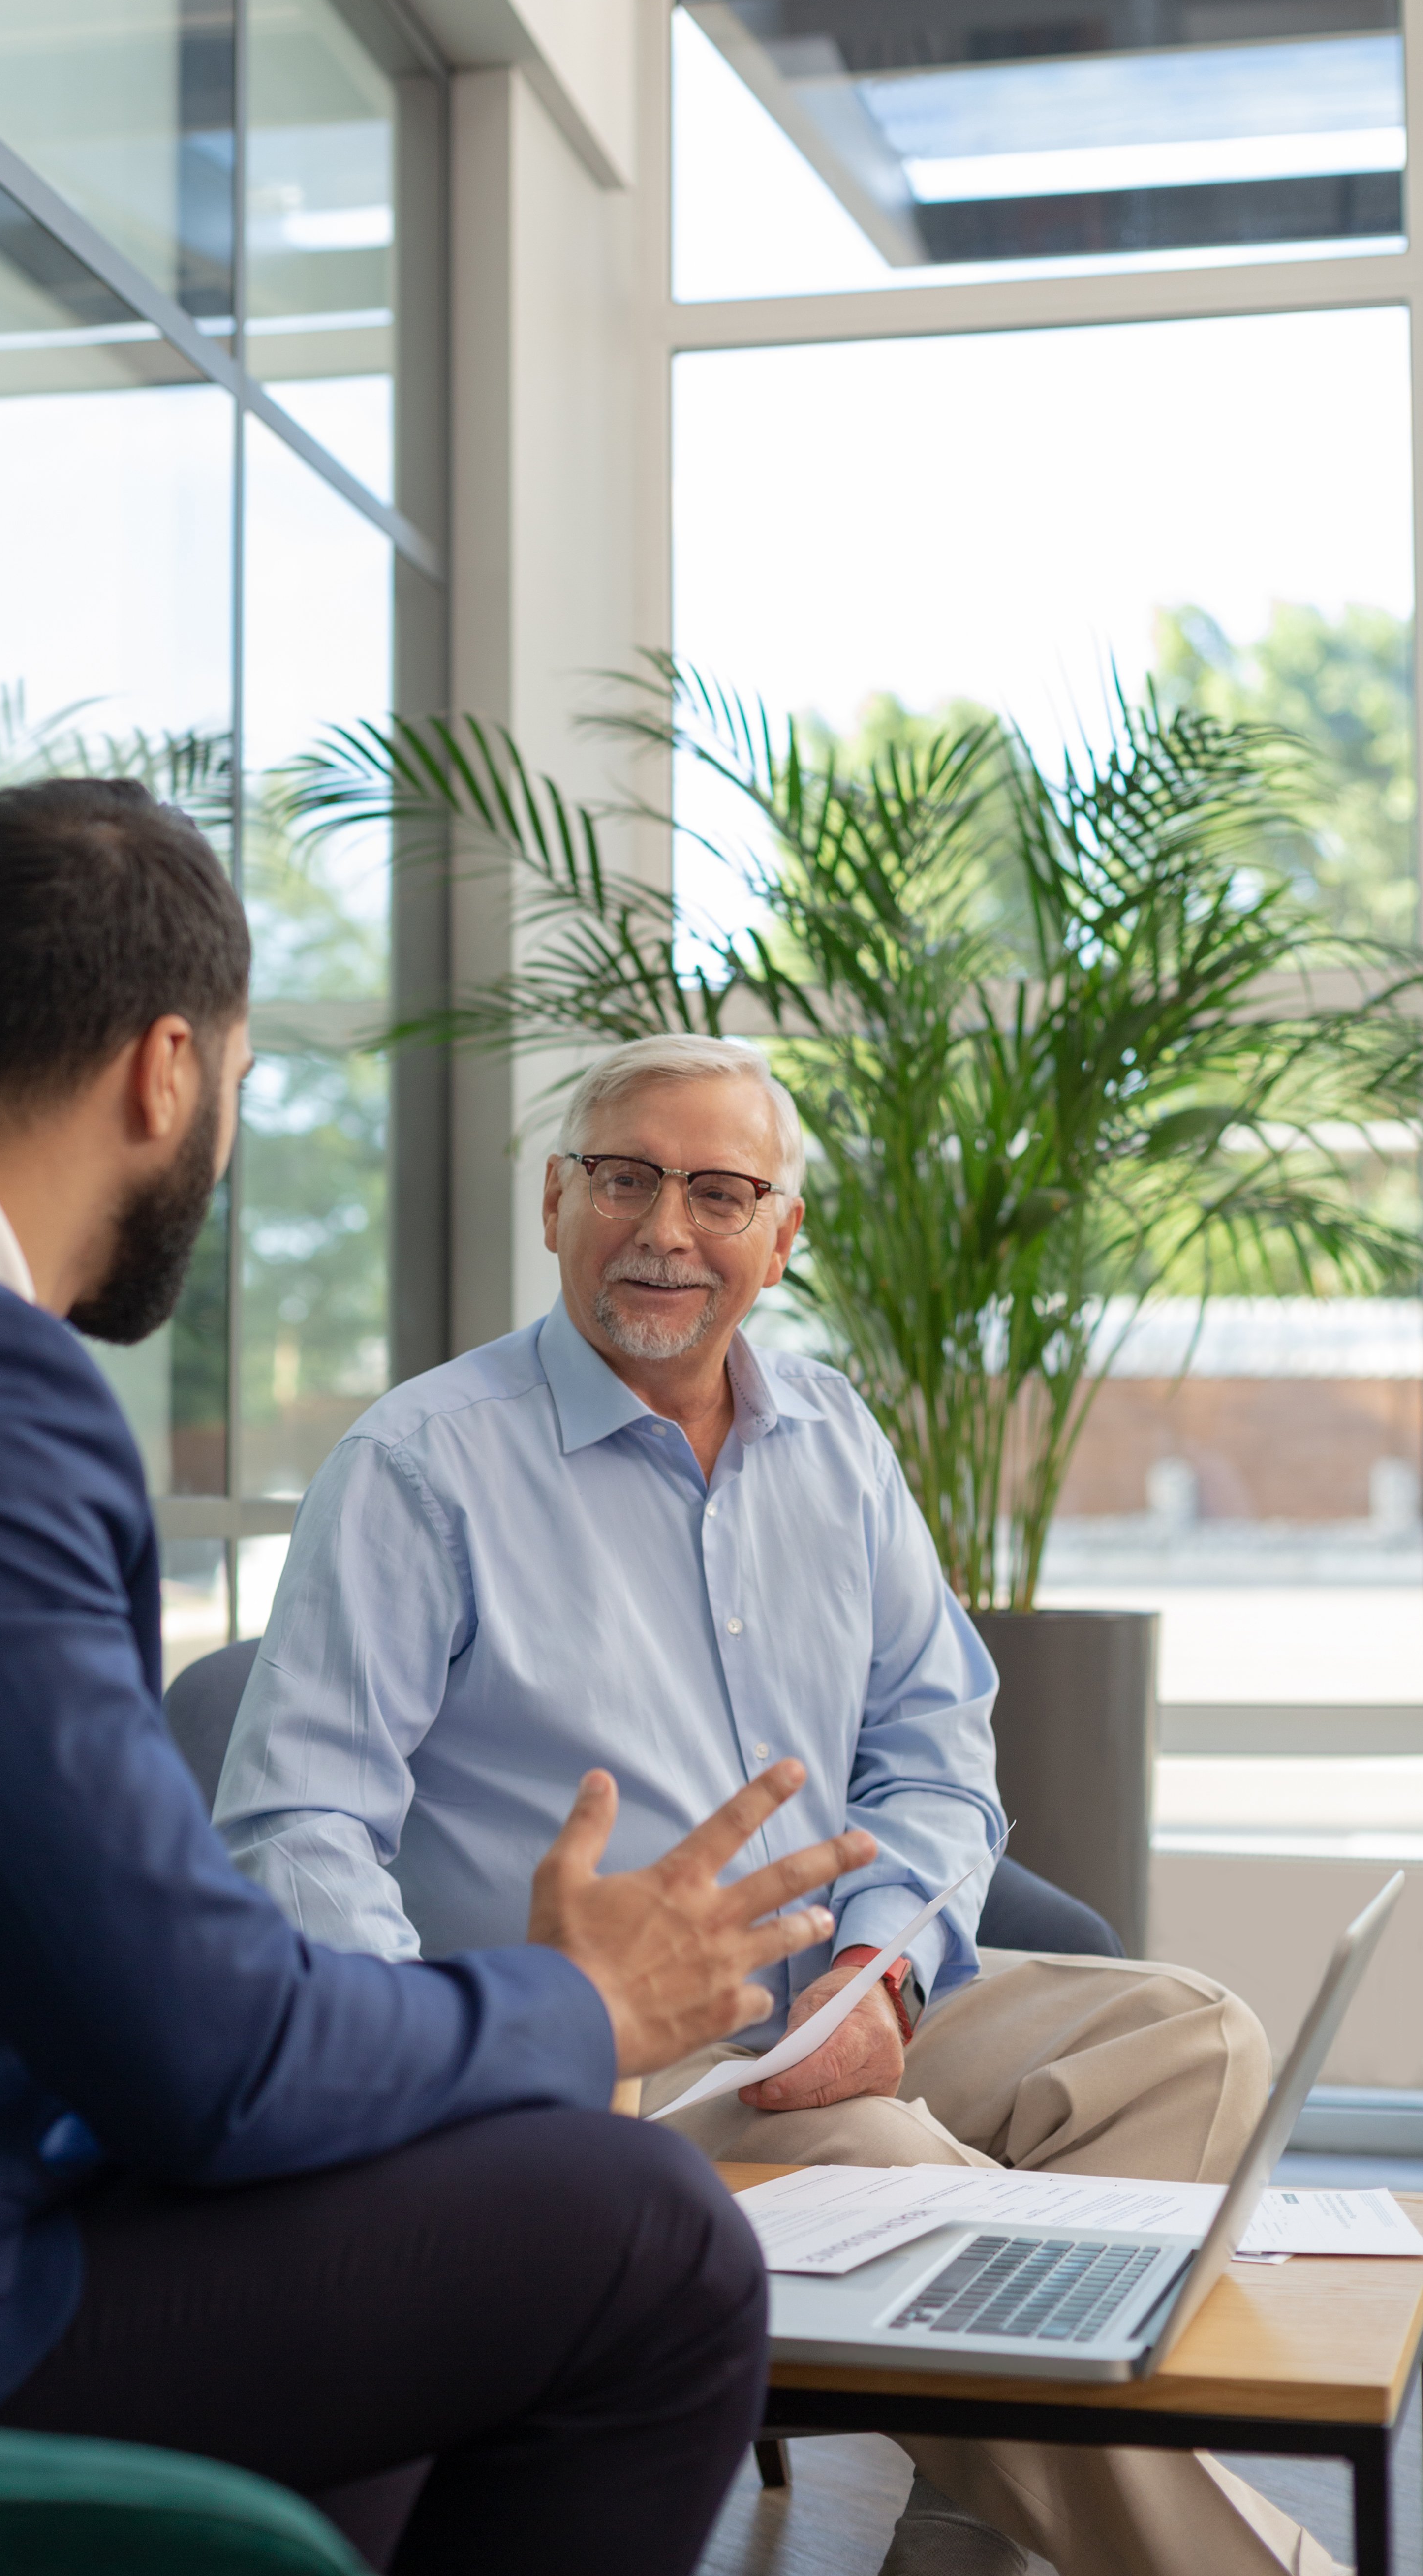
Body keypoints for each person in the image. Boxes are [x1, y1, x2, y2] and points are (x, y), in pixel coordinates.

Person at [0, 787, 882, 2576]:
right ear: (171, 1071)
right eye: (242, 1088)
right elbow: (206, 2054)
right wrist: (580, 2007)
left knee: (401, 2260)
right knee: (641, 2234)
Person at [217, 1031, 1337, 2576]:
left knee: (1189, 2038)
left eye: (719, 1191)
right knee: (910, 2179)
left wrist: (886, 1964)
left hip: (836, 2006)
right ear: (556, 1203)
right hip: (615, 2078)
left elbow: (936, 1744)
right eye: (626, 1179)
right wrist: (465, 2068)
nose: (668, 1228)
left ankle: (969, 2537)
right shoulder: (421, 1468)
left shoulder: (836, 1442)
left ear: (780, 1234)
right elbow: (297, 1829)